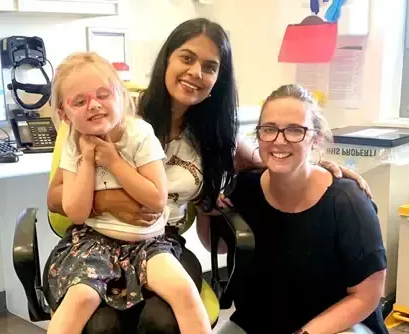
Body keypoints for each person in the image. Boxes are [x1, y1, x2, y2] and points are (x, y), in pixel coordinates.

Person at [47, 18, 370, 333]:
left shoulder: (214, 136)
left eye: (210, 67)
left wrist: (320, 168)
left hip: (160, 244)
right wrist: (111, 199)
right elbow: (56, 198)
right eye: (186, 58)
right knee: (102, 324)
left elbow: (272, 158)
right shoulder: (113, 115)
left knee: (163, 319)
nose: (195, 73)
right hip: (97, 240)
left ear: (219, 79)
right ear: (167, 60)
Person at [45, 52, 211, 334]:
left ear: (120, 97)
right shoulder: (73, 143)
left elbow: (156, 199)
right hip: (94, 242)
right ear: (64, 114)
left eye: (103, 94)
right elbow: (76, 212)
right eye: (80, 101)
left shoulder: (140, 134)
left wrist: (112, 161)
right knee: (80, 298)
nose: (94, 105)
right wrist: (87, 159)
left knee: (182, 289)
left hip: (149, 243)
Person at [218, 84, 388, 334]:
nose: (279, 140)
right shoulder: (244, 188)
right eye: (269, 129)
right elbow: (221, 245)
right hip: (260, 320)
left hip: (338, 326)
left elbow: (368, 295)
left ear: (316, 138)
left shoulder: (347, 202)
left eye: (295, 130)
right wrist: (205, 202)